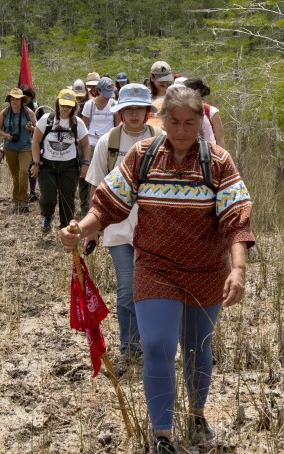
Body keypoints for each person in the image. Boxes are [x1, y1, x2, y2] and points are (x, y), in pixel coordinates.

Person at [60, 86, 254, 452]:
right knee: (157, 345)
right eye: (174, 121)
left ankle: (196, 416)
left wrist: (238, 268)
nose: (182, 130)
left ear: (201, 121)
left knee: (198, 348)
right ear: (161, 121)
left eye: (190, 122)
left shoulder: (219, 162)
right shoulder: (142, 155)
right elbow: (107, 203)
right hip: (154, 266)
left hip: (206, 269)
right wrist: (81, 229)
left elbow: (236, 219)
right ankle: (162, 434)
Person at [84, 82, 161, 370]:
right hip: (117, 229)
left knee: (152, 291)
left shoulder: (161, 139)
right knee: (127, 290)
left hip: (155, 230)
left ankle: (150, 345)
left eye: (139, 109)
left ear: (146, 112)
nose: (134, 114)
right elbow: (96, 186)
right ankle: (129, 349)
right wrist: (92, 227)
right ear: (120, 112)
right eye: (128, 109)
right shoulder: (108, 142)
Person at [32, 88, 91, 233]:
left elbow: (85, 144)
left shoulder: (77, 123)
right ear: (58, 104)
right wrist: (36, 163)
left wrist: (85, 163)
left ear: (74, 107)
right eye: (63, 105)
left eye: (69, 106)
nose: (66, 108)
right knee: (47, 199)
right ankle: (47, 215)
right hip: (47, 166)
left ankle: (66, 229)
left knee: (67, 200)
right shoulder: (46, 119)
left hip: (69, 167)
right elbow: (35, 142)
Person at [80, 76, 117, 217]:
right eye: (104, 94)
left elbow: (117, 124)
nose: (107, 98)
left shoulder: (114, 104)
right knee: (87, 178)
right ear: (98, 90)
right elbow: (84, 127)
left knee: (106, 178)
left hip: (108, 145)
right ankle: (85, 209)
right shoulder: (90, 105)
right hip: (91, 144)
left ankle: (104, 207)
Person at [0, 87, 37, 213]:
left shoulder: (28, 112)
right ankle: (16, 201)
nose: (15, 102)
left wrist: (30, 128)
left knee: (24, 172)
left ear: (22, 101)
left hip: (25, 147)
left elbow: (37, 129)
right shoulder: (4, 113)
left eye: (17, 99)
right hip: (10, 148)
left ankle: (24, 201)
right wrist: (6, 136)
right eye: (12, 99)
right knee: (15, 176)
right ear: (9, 100)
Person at [183, 77, 226, 148]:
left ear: (198, 92)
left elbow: (220, 140)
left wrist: (222, 157)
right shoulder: (184, 111)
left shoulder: (211, 111)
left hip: (210, 154)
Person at [146, 61, 174, 128]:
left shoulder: (174, 97)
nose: (164, 83)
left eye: (167, 79)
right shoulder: (146, 98)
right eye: (161, 80)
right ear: (152, 78)